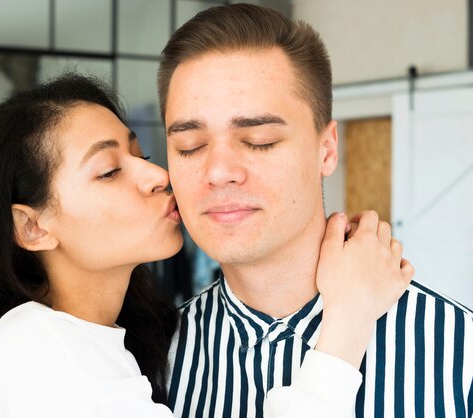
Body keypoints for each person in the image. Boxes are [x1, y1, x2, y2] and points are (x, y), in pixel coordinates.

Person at [0, 73, 407, 418]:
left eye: (141, 154)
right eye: (110, 171)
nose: (159, 176)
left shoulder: (111, 343)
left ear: (326, 148)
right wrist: (348, 320)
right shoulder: (39, 350)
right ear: (32, 228)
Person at [158, 4, 473, 418]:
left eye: (259, 139)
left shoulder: (460, 352)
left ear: (327, 149)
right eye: (190, 147)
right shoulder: (153, 362)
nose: (218, 172)